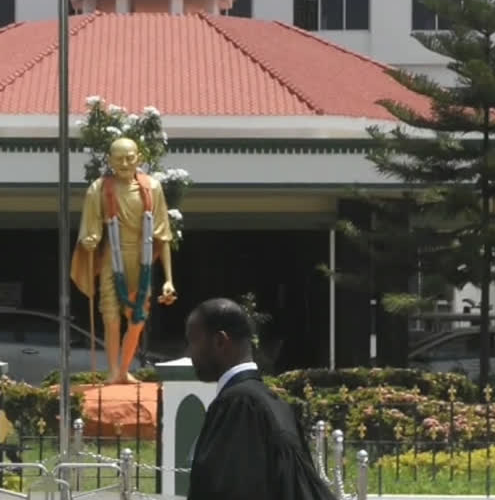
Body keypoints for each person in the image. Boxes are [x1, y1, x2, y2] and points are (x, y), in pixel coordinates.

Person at [185, 298, 336, 500]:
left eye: (193, 341)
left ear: (220, 341)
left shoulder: (239, 405)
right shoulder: (275, 404)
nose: (189, 353)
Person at [70, 137, 177, 384]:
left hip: (142, 259)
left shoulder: (152, 188)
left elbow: (163, 235)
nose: (125, 163)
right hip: (111, 257)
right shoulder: (99, 188)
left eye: (130, 157)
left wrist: (169, 279)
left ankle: (124, 369)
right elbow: (91, 226)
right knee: (110, 316)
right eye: (119, 158)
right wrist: (90, 239)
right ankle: (113, 372)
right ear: (110, 161)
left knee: (137, 318)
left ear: (139, 158)